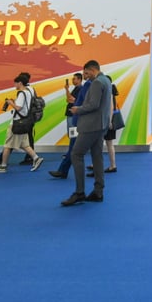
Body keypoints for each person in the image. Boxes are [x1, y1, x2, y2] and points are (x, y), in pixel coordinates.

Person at [61, 60, 111, 206]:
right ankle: (98, 191)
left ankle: (80, 192)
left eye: (86, 72)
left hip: (90, 126)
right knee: (97, 156)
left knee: (76, 154)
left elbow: (93, 105)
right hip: (101, 125)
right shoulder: (106, 80)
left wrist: (78, 109)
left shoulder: (96, 83)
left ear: (92, 70)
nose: (84, 75)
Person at [0, 73, 45, 173]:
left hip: (17, 122)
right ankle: (36, 159)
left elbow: (18, 107)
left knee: (7, 145)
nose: (14, 85)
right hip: (25, 121)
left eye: (15, 83)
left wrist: (11, 103)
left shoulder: (21, 93)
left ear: (20, 83)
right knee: (25, 145)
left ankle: (3, 166)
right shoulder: (29, 92)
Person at [51, 75, 91, 179]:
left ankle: (63, 171)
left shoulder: (81, 88)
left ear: (80, 79)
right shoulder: (77, 89)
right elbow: (68, 100)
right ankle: (63, 171)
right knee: (73, 146)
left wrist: (68, 92)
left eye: (75, 79)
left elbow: (71, 100)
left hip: (75, 118)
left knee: (73, 146)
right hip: (74, 118)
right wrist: (67, 90)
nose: (73, 80)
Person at [89, 81, 120, 177]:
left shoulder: (108, 94)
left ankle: (105, 166)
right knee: (108, 144)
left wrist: (109, 121)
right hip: (108, 121)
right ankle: (111, 165)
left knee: (100, 144)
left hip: (106, 122)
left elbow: (110, 108)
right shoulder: (110, 93)